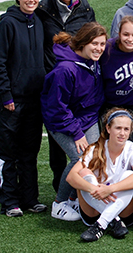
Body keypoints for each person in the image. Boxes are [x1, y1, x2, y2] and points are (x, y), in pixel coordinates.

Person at [36, 0, 96, 194]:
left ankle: (77, 193)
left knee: (86, 151)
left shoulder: (85, 8)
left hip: (78, 82)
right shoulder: (42, 10)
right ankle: (60, 194)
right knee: (58, 145)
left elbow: (92, 39)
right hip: (55, 81)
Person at [41, 22, 107, 221]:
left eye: (103, 44)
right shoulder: (65, 69)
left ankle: (73, 197)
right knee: (79, 159)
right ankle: (59, 203)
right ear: (83, 43)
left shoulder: (91, 60)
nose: (99, 48)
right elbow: (56, 107)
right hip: (62, 121)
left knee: (95, 157)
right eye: (95, 43)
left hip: (86, 119)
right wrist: (77, 132)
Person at [0, 0, 47, 217]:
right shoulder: (7, 24)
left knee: (29, 151)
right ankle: (9, 201)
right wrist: (6, 95)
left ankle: (29, 199)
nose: (31, 0)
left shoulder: (38, 20)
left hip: (35, 99)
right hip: (12, 101)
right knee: (8, 151)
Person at [66, 108, 133, 242]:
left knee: (129, 174)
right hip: (93, 212)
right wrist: (94, 189)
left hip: (125, 212)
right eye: (118, 128)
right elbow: (71, 177)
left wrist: (109, 189)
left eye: (126, 129)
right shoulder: (94, 148)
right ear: (108, 128)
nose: (122, 133)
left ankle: (100, 225)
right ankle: (114, 221)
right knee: (84, 173)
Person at [100, 15, 133, 147]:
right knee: (110, 145)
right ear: (118, 34)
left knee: (132, 146)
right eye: (126, 34)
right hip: (111, 105)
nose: (130, 39)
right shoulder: (106, 49)